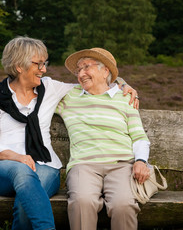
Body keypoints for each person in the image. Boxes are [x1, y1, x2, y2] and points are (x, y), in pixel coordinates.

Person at [0, 37, 139, 230]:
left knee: (24, 206)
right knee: (22, 170)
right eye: (38, 64)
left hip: (45, 167)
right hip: (2, 170)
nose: (44, 69)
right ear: (19, 66)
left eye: (44, 63)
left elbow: (97, 85)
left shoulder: (50, 88)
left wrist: (121, 82)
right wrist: (18, 157)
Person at [56, 48, 151, 230]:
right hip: (83, 165)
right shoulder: (68, 97)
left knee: (123, 205)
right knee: (82, 202)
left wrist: (140, 161)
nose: (81, 74)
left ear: (105, 70)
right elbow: (38, 90)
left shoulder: (125, 99)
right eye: (78, 70)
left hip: (121, 165)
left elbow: (139, 136)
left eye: (86, 67)